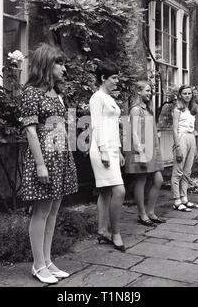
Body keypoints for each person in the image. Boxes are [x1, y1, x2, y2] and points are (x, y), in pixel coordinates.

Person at [19, 43, 78, 284]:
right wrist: (41, 165)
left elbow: (66, 127)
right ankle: (37, 265)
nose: (64, 68)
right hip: (45, 157)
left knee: (53, 212)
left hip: (60, 155)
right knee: (41, 212)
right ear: (47, 64)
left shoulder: (58, 94)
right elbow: (31, 132)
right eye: (59, 63)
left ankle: (47, 260)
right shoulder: (31, 93)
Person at [89, 60, 126, 252]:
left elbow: (113, 127)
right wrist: (104, 151)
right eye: (113, 78)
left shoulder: (109, 98)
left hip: (112, 149)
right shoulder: (97, 98)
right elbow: (97, 125)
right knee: (119, 191)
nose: (116, 81)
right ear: (103, 78)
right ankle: (115, 233)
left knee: (105, 192)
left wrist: (118, 150)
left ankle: (102, 231)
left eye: (117, 78)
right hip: (100, 149)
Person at [125, 81, 165, 226]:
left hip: (151, 149)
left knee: (158, 180)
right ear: (139, 92)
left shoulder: (148, 109)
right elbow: (133, 133)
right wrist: (140, 152)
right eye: (147, 91)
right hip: (141, 150)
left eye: (150, 91)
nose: (149, 93)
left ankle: (150, 211)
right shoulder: (136, 110)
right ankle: (142, 214)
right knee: (141, 180)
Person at [171, 85, 198, 212]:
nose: (187, 95)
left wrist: (196, 147)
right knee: (178, 171)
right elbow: (175, 129)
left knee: (187, 172)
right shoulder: (178, 109)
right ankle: (176, 200)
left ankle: (184, 198)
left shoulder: (192, 109)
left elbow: (193, 130)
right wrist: (177, 147)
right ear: (180, 95)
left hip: (191, 138)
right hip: (181, 138)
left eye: (189, 93)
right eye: (185, 93)